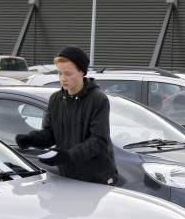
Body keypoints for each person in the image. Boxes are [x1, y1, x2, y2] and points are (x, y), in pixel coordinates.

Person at [15, 45, 118, 186]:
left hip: (96, 178)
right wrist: (32, 139)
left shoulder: (97, 100)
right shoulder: (56, 99)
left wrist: (68, 155)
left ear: (82, 71)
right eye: (59, 73)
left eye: (68, 74)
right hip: (67, 175)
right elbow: (51, 133)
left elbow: (99, 141)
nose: (63, 78)